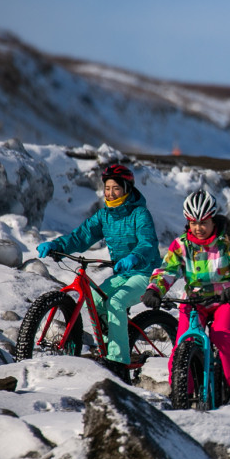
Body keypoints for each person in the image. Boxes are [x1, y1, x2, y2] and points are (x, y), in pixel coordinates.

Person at [37, 162, 161, 382]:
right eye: (107, 188)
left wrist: (134, 257)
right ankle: (115, 339)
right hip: (123, 274)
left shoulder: (140, 214)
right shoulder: (104, 216)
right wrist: (57, 245)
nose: (111, 193)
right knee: (94, 300)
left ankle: (118, 363)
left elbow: (148, 243)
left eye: (116, 188)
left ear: (126, 189)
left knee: (116, 302)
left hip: (145, 272)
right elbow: (81, 236)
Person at [140, 190, 230, 400]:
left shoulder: (229, 241)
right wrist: (154, 289)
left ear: (213, 219)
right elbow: (167, 271)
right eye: (193, 223)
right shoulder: (182, 245)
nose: (198, 228)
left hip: (226, 299)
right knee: (182, 345)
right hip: (195, 301)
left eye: (203, 222)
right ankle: (182, 394)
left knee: (222, 334)